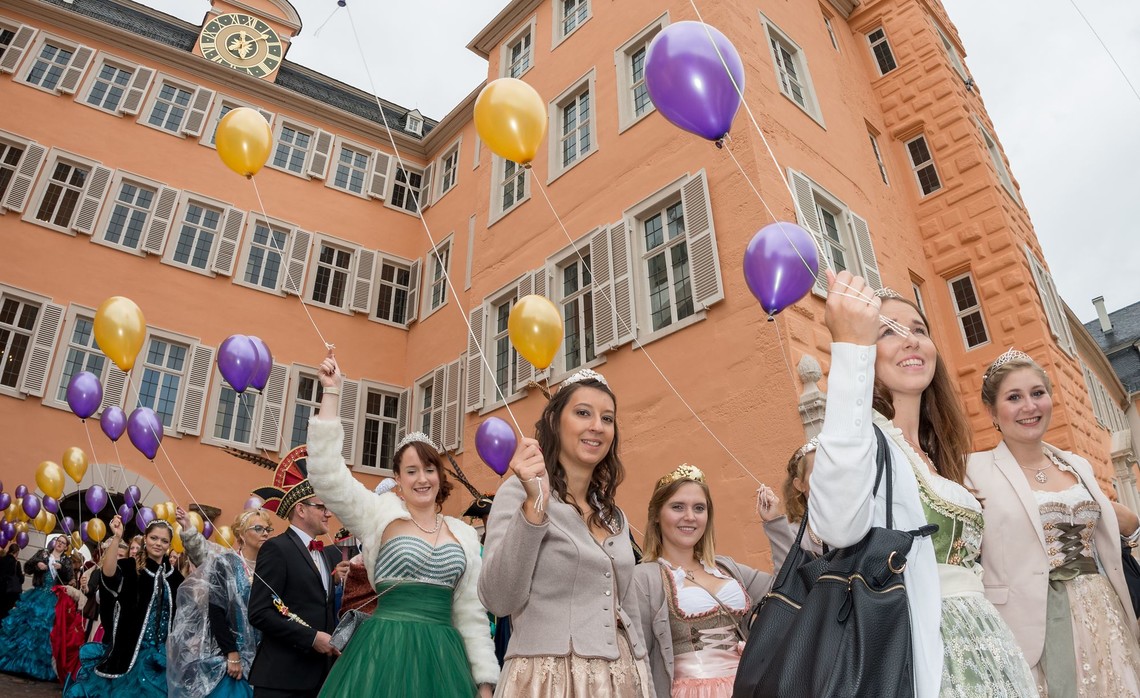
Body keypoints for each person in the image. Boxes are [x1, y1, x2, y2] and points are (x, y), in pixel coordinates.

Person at [808, 272, 1035, 698]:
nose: (911, 340)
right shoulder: (863, 442)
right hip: (916, 650)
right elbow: (837, 525)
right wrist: (848, 350)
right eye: (888, 332)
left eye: (919, 330)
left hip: (985, 646)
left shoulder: (937, 454)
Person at [305, 352, 497, 697]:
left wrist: (484, 682)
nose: (421, 479)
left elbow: (470, 613)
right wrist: (331, 393)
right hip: (382, 654)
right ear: (397, 478)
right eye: (411, 471)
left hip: (444, 661)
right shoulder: (379, 514)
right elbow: (327, 475)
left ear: (439, 476)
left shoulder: (465, 535)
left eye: (428, 469)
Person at [967, 349, 1140, 694]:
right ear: (992, 412)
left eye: (1037, 393)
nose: (1029, 406)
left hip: (1104, 610)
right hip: (1029, 622)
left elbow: (1116, 530)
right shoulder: (972, 470)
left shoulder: (1078, 466)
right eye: (1014, 397)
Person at [480, 367, 652, 697]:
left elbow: (627, 609)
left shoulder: (613, 515)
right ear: (555, 422)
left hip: (620, 680)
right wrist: (534, 509)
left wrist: (645, 683)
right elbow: (498, 599)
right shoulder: (517, 493)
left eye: (607, 418)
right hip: (546, 681)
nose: (597, 427)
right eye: (583, 413)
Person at [632, 464, 772, 697]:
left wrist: (774, 523)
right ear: (656, 515)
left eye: (699, 508)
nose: (690, 517)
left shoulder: (726, 568)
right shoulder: (644, 578)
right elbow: (639, 658)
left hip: (749, 687)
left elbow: (787, 587)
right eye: (677, 507)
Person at [246, 444, 344, 698]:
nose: (329, 513)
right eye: (321, 507)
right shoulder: (276, 549)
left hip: (321, 679)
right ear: (301, 509)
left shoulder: (328, 553)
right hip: (282, 680)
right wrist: (311, 638)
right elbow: (259, 612)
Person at [65, 517, 184, 697]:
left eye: (164, 540)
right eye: (154, 538)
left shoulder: (175, 578)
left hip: (162, 656)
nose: (158, 543)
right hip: (129, 651)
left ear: (169, 544)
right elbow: (108, 574)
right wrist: (117, 537)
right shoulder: (129, 567)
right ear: (145, 538)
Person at [167, 507, 273, 698]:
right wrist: (231, 653)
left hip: (264, 658)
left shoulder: (270, 567)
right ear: (241, 533)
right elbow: (216, 609)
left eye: (267, 529)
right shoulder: (226, 563)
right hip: (232, 657)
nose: (265, 533)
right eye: (258, 528)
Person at [0, 533, 74, 680]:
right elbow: (27, 568)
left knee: (47, 632)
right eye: (58, 541)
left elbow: (70, 577)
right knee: (27, 628)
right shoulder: (43, 553)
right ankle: (16, 663)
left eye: (63, 543)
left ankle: (39, 669)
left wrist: (62, 569)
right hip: (37, 594)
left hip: (54, 598)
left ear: (66, 547)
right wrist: (37, 565)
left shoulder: (66, 561)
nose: (59, 544)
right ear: (55, 543)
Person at [756, 440, 822, 572]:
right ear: (800, 485)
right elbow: (787, 579)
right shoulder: (794, 535)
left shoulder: (858, 518)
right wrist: (774, 522)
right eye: (819, 473)